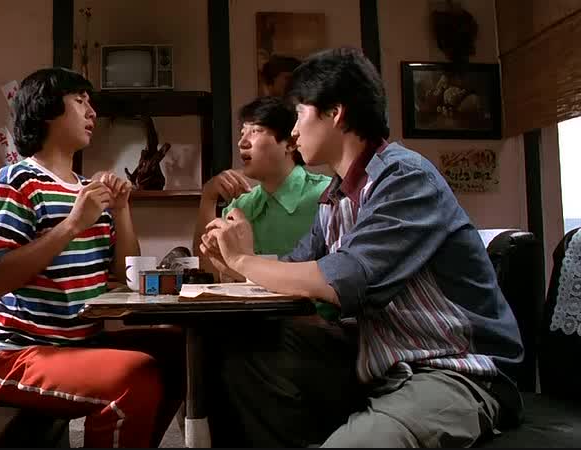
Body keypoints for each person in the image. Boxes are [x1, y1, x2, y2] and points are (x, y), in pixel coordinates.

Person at [200, 47, 524, 448]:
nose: (293, 131)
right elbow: (295, 270)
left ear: (335, 112)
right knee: (237, 351)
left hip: (453, 369)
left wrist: (242, 259)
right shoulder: (334, 198)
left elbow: (342, 280)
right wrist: (233, 261)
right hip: (378, 362)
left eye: (299, 114)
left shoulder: (404, 178)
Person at [0, 67, 183, 448]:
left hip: (81, 344)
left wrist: (121, 209)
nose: (92, 112)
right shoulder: (14, 181)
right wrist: (71, 224)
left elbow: (125, 275)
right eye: (79, 101)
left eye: (91, 103)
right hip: (14, 353)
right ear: (46, 110)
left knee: (179, 353)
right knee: (135, 376)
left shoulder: (89, 190)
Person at [192, 96, 337, 319]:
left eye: (256, 131)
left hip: (314, 324)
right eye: (242, 133)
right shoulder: (240, 206)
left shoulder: (326, 196)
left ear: (290, 143)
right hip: (251, 321)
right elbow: (208, 273)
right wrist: (208, 198)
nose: (242, 142)